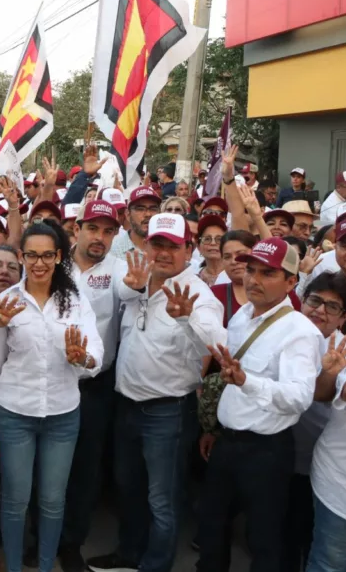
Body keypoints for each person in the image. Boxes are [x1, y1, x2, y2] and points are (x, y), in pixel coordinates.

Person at [87, 213, 226, 572]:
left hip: (167, 412)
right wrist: (132, 288)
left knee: (162, 499)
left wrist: (186, 317)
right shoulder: (137, 279)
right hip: (127, 405)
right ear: (145, 245)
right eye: (157, 244)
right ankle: (129, 554)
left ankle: (156, 565)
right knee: (128, 488)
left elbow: (218, 341)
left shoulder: (198, 294)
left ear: (188, 250)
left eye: (172, 246)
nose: (163, 253)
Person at [197, 238, 324, 572]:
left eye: (268, 273)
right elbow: (227, 361)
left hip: (266, 451)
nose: (254, 279)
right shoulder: (242, 317)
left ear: (292, 281)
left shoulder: (300, 333)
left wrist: (246, 382)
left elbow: (298, 398)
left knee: (264, 538)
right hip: (228, 440)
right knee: (211, 526)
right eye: (251, 270)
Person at [0, 222, 101, 572]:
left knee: (52, 501)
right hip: (14, 413)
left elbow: (95, 353)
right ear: (22, 257)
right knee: (15, 500)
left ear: (59, 256)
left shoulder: (76, 301)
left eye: (47, 255)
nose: (39, 263)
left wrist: (83, 358)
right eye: (32, 255)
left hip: (63, 414)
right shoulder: (8, 302)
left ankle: (46, 565)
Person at [58, 200, 128, 572]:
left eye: (108, 231)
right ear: (77, 228)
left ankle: (71, 543)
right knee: (48, 466)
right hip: (52, 380)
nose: (99, 238)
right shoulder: (54, 263)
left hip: (95, 386)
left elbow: (132, 292)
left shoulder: (119, 269)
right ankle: (43, 536)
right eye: (93, 229)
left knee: (85, 469)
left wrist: (135, 286)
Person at [279, 273, 346, 572]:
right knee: (281, 533)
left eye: (332, 307)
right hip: (279, 454)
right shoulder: (282, 334)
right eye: (314, 301)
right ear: (302, 301)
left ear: (344, 317)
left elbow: (324, 394)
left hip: (318, 466)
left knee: (314, 539)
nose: (320, 311)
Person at [109, 186, 160, 259]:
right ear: (128, 214)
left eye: (153, 209)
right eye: (140, 209)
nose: (148, 214)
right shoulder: (112, 251)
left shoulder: (168, 250)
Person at [196, 215, 227, 286]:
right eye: (207, 239)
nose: (213, 243)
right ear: (198, 247)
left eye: (219, 239)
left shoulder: (235, 276)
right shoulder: (192, 278)